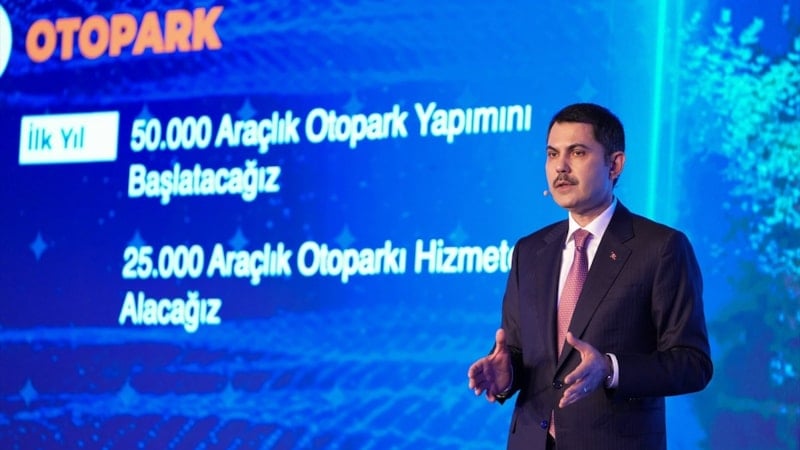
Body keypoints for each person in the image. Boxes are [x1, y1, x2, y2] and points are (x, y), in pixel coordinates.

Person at [467, 103, 713, 450]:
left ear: (615, 165)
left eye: (578, 152)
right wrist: (508, 376)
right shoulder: (529, 251)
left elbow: (692, 364)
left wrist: (610, 369)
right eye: (552, 154)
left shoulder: (660, 248)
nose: (561, 167)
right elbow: (519, 352)